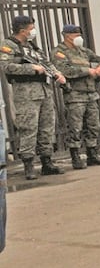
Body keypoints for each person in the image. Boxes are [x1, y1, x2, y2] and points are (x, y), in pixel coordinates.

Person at [1, 15, 67, 180]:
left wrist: (57, 73)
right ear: (23, 31)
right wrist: (32, 68)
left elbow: (45, 62)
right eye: (31, 29)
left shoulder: (32, 46)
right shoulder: (8, 45)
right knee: (28, 129)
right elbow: (6, 66)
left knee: (47, 127)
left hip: (44, 91)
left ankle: (47, 162)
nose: (33, 31)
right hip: (26, 94)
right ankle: (29, 165)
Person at [51, 24, 100, 169]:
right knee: (75, 127)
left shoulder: (83, 51)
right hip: (75, 95)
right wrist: (88, 70)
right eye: (75, 35)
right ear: (66, 36)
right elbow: (64, 70)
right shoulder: (59, 52)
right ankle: (75, 156)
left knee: (93, 126)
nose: (79, 38)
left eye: (79, 34)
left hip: (91, 93)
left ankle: (92, 154)